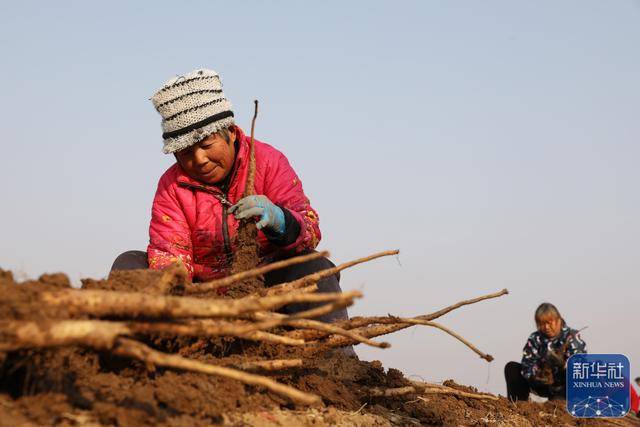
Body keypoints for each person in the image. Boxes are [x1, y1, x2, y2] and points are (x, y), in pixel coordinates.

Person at [110, 68, 349, 326]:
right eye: (186, 153)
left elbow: (309, 231)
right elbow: (170, 253)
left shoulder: (268, 162)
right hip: (202, 298)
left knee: (315, 267)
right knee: (130, 264)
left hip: (269, 290)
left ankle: (335, 347)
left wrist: (281, 221)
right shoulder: (172, 186)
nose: (199, 160)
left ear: (231, 132)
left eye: (206, 145)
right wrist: (178, 295)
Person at [504, 303, 586, 401]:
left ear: (558, 320)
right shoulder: (535, 338)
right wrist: (537, 375)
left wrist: (562, 365)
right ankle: (518, 404)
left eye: (549, 323)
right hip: (542, 384)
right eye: (542, 324)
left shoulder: (571, 337)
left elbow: (580, 369)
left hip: (563, 386)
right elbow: (527, 365)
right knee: (512, 368)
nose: (546, 327)